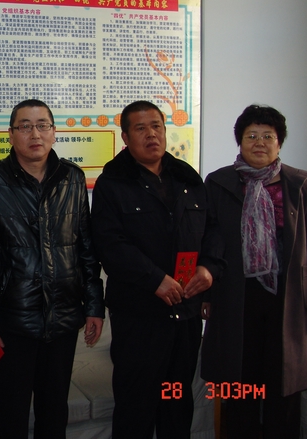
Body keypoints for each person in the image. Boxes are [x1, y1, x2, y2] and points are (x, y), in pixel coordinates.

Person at [0, 99, 105, 439]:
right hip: (7, 324)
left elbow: (86, 248)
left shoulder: (72, 178)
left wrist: (94, 306)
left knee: (54, 412)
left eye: (43, 125)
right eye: (25, 126)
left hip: (62, 320)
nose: (35, 134)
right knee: (9, 414)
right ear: (11, 134)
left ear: (54, 132)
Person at [91, 100, 224, 439]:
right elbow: (110, 244)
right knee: (136, 406)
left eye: (157, 127)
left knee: (176, 401)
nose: (151, 134)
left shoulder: (187, 178)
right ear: (125, 137)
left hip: (185, 314)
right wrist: (156, 280)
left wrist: (208, 269)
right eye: (141, 128)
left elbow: (212, 231)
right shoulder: (112, 183)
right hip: (139, 315)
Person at [200, 104, 307, 438]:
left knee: (283, 382)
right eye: (251, 136)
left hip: (288, 298)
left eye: (267, 136)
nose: (259, 142)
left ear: (279, 143)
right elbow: (209, 240)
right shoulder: (219, 182)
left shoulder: (298, 182)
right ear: (240, 141)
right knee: (239, 382)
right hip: (236, 296)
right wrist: (207, 294)